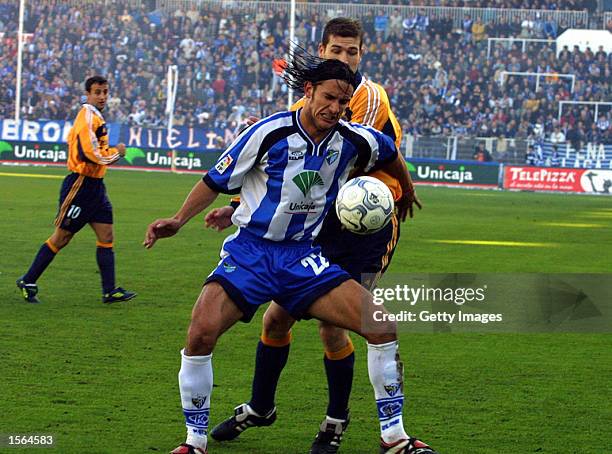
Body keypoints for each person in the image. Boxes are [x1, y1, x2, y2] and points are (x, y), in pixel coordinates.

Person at [144, 55, 436, 454]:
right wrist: (178, 220)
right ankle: (194, 442)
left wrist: (407, 190)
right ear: (309, 92)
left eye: (343, 102)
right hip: (251, 253)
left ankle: (394, 438)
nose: (335, 108)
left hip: (304, 257)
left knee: (381, 325)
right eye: (329, 97)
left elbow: (387, 152)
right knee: (200, 333)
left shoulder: (352, 139)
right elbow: (214, 180)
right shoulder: (268, 132)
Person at [205, 18, 416, 454]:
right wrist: (241, 206)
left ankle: (337, 422)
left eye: (352, 52)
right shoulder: (318, 94)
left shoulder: (362, 96)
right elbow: (294, 172)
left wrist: (406, 189)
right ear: (322, 50)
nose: (344, 59)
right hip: (316, 221)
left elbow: (341, 159)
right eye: (336, 51)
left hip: (364, 226)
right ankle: (262, 407)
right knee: (275, 319)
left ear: (362, 55)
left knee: (332, 326)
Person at [16, 76, 136, 305]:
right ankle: (28, 280)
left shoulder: (96, 116)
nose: (102, 96)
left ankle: (109, 291)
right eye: (97, 92)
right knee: (62, 237)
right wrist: (117, 152)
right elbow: (90, 153)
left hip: (96, 188)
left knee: (106, 236)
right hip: (80, 185)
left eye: (105, 92)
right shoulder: (86, 118)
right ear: (88, 94)